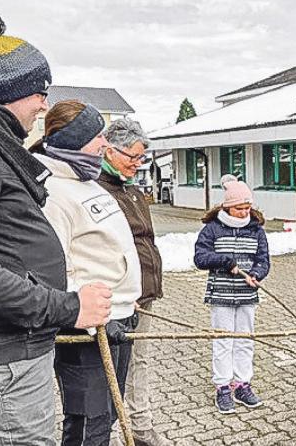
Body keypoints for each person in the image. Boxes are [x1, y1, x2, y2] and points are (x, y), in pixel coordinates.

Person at [0, 12, 111, 445]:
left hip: (2, 356)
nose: (44, 106)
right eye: (40, 93)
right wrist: (67, 309)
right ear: (10, 92)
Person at [30, 100, 142, 445]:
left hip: (119, 319)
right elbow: (52, 267)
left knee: (108, 414)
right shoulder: (53, 193)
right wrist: (93, 318)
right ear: (77, 140)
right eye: (97, 137)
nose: (104, 145)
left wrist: (127, 300)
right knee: (87, 422)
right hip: (89, 328)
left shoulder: (87, 179)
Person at [98, 118, 169, 446]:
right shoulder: (98, 191)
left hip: (144, 293)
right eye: (133, 157)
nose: (138, 164)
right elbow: (101, 250)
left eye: (142, 158)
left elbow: (145, 241)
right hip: (121, 299)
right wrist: (124, 291)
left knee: (140, 363)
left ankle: (140, 430)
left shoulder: (133, 190)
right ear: (110, 150)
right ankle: (115, 431)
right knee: (114, 368)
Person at [194, 175, 270, 414]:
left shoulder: (255, 230)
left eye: (247, 207)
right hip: (222, 293)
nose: (244, 212)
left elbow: (263, 259)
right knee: (224, 340)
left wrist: (258, 273)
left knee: (245, 340)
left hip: (247, 293)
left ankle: (242, 384)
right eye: (239, 208)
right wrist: (225, 262)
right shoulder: (212, 229)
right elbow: (200, 258)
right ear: (227, 206)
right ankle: (223, 387)